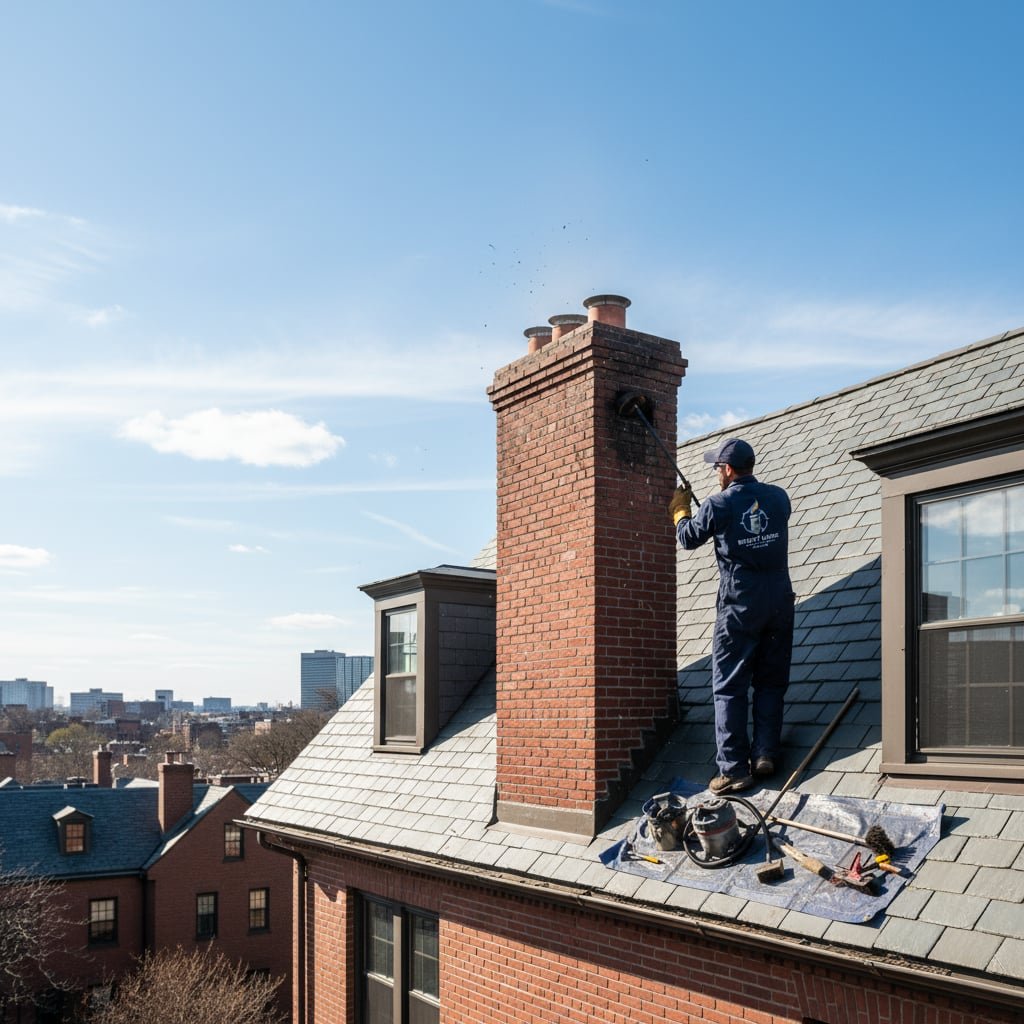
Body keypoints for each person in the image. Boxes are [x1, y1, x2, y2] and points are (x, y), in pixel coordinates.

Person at [669, 438, 794, 795]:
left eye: (717, 469)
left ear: (726, 470)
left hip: (741, 601)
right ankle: (766, 753)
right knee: (771, 679)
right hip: (779, 597)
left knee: (729, 685)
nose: (716, 474)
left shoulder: (718, 504)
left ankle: (735, 769)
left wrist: (680, 510)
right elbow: (755, 518)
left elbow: (689, 538)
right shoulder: (779, 497)